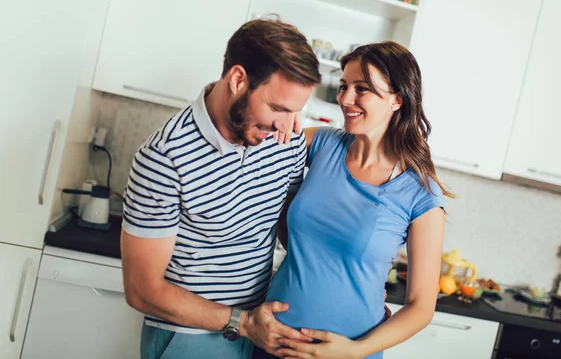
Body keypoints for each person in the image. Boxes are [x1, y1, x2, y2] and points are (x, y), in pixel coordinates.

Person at [120, 18, 322, 359]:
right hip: (189, 340)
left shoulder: (284, 136)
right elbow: (142, 291)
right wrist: (241, 323)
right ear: (238, 79)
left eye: (295, 111)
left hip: (259, 336)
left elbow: (292, 228)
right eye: (277, 107)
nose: (285, 124)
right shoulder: (165, 157)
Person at [254, 41, 453, 359]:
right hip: (272, 340)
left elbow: (421, 307)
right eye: (344, 85)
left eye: (362, 89)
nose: (345, 99)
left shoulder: (420, 193)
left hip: (346, 353)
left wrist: (355, 350)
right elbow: (252, 149)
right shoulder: (320, 144)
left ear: (397, 99)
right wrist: (283, 110)